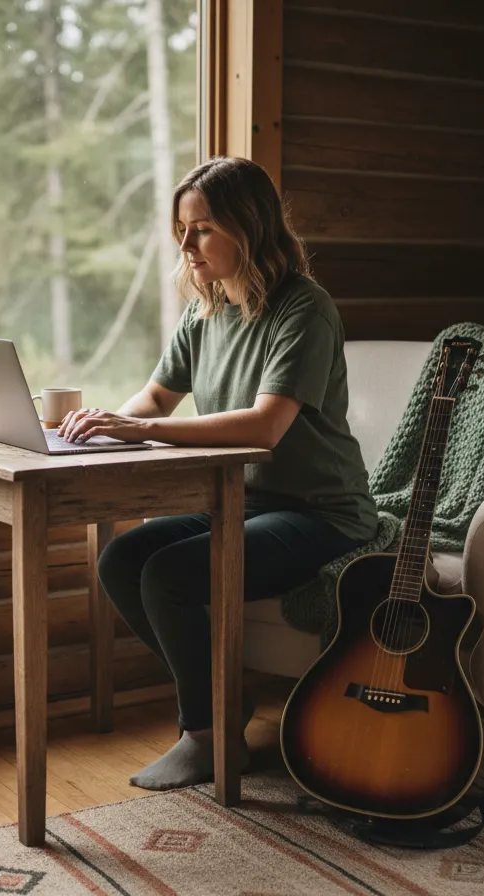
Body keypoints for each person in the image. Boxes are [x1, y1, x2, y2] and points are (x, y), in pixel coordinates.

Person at [57, 156, 378, 791]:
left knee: (170, 573)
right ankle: (221, 706)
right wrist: (98, 429)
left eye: (202, 228)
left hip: (322, 513)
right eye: (182, 228)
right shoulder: (205, 310)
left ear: (249, 226)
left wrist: (142, 431)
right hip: (241, 500)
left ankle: (209, 738)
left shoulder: (303, 309)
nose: (186, 244)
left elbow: (264, 427)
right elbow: (153, 400)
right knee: (121, 559)